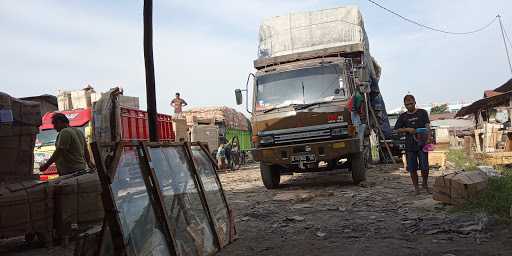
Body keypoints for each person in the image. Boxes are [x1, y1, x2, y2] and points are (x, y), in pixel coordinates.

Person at [394, 94, 431, 195]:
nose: (409, 106)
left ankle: (425, 184)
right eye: (407, 104)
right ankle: (416, 188)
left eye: (411, 103)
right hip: (410, 145)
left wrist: (429, 138)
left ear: (415, 102)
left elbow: (427, 126)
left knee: (425, 166)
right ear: (404, 105)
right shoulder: (403, 116)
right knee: (412, 168)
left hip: (423, 143)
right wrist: (407, 129)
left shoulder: (422, 112)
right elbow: (396, 129)